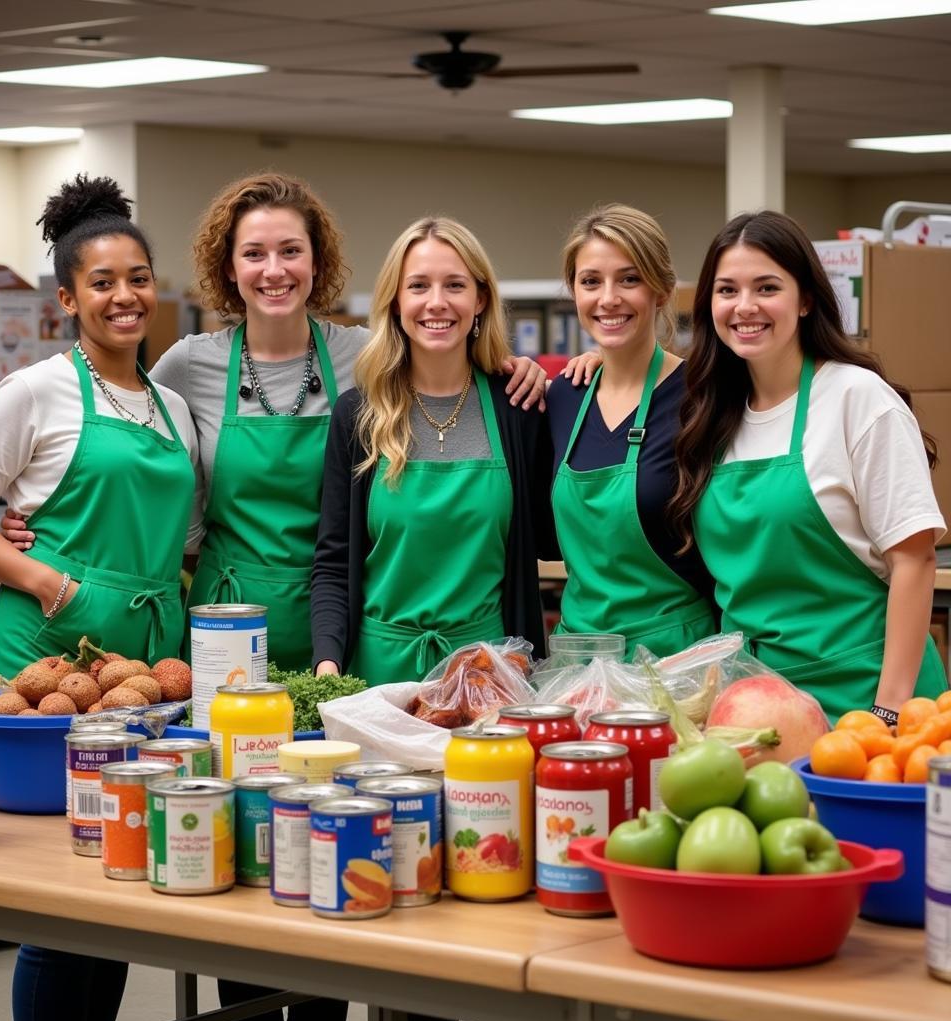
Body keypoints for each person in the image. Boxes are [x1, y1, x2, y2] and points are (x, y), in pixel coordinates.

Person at [5, 172, 548, 673]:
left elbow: (445, 363)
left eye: (291, 251)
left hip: (336, 622)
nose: (274, 270)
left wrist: (516, 368)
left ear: (317, 261)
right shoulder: (188, 365)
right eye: (254, 253)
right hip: (226, 621)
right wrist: (41, 519)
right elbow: (134, 470)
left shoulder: (365, 359)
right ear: (228, 268)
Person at [0, 175, 201, 1021]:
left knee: (115, 881)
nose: (125, 297)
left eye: (137, 278)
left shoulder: (173, 407)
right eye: (102, 282)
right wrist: (52, 581)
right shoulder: (36, 391)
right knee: (58, 896)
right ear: (67, 299)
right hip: (43, 660)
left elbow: (184, 536)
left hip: (140, 673)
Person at [669, 209, 946, 723]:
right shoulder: (709, 414)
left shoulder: (856, 399)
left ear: (806, 300)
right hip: (763, 705)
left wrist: (888, 713)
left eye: (767, 287)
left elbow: (915, 562)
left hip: (865, 697)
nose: (745, 306)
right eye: (727, 290)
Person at [312, 216, 555, 684]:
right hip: (380, 677)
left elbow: (553, 538)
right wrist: (328, 663)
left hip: (491, 673)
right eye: (418, 285)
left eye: (455, 285)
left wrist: (591, 369)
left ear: (480, 298)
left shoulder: (519, 408)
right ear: (396, 301)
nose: (436, 302)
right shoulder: (359, 414)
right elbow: (333, 560)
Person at [545, 204, 716, 659]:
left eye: (629, 279)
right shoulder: (562, 397)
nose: (608, 298)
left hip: (676, 659)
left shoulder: (701, 399)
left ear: (660, 290)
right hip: (579, 658)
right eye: (590, 281)